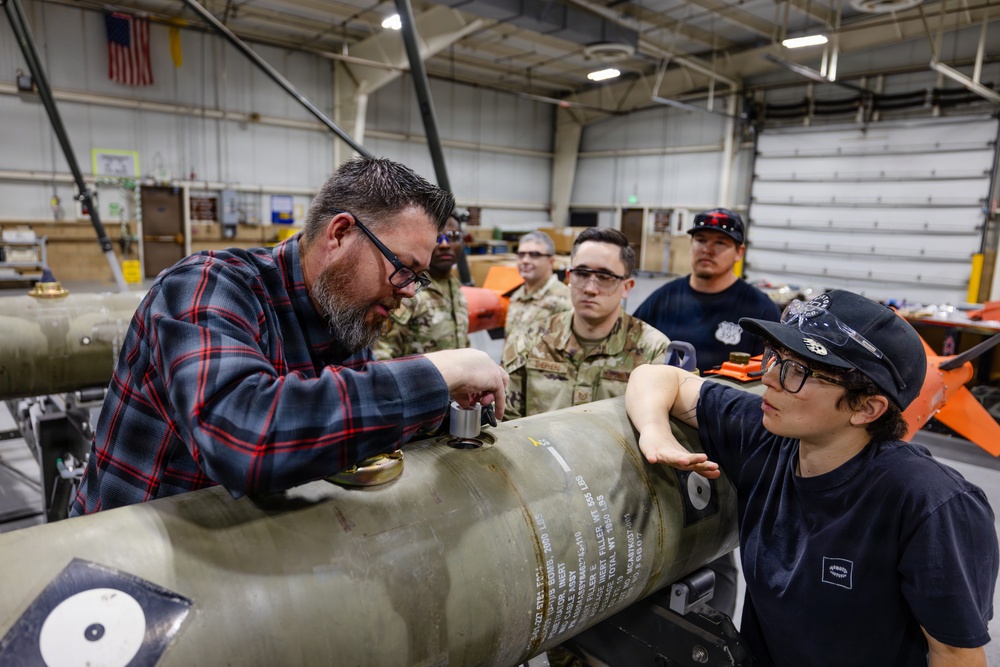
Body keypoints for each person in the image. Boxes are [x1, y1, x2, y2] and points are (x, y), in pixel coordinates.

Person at [71, 157, 508, 515]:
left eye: (418, 277)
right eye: (403, 268)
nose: (409, 291)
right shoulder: (208, 286)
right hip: (124, 574)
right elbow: (244, 437)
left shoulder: (343, 314)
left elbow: (341, 412)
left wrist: (446, 407)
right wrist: (436, 371)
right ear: (340, 234)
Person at [626, 289, 998, 667]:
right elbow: (656, 377)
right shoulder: (766, 435)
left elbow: (955, 655)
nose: (768, 377)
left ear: (866, 407)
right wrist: (655, 432)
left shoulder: (931, 505)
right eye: (775, 356)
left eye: (797, 371)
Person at [502, 227, 668, 420]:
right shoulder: (532, 339)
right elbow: (506, 420)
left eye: (605, 277)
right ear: (569, 278)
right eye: (581, 273)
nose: (590, 288)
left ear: (626, 287)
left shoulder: (654, 351)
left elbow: (663, 424)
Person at [633, 208, 780, 372]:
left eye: (720, 242)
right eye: (701, 240)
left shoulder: (762, 312)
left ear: (739, 252)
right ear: (691, 244)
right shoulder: (662, 299)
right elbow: (629, 347)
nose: (707, 249)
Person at [373, 211, 469, 359]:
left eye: (453, 237)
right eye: (437, 238)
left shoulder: (456, 289)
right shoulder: (407, 291)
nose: (444, 244)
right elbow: (382, 355)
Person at [503, 231, 571, 342]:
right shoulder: (517, 297)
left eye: (534, 255)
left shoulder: (563, 300)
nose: (525, 260)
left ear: (551, 261)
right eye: (521, 255)